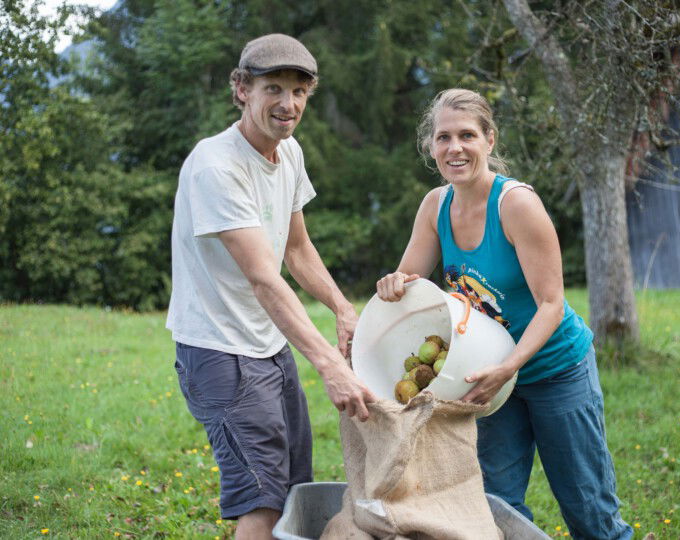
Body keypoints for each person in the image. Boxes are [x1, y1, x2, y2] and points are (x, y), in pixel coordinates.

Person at [376, 88, 633, 539]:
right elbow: (410, 282)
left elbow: (552, 303)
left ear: (489, 140)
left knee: (588, 508)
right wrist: (394, 283)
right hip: (487, 377)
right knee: (495, 507)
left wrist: (510, 366)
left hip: (555, 370)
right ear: (430, 146)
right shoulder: (435, 206)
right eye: (443, 138)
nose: (454, 148)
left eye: (467, 135)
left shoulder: (515, 204)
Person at [166, 33, 375, 539]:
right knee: (261, 501)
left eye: (300, 91)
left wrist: (343, 309)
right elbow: (263, 276)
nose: (288, 104)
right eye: (273, 89)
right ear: (241, 88)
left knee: (290, 491)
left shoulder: (289, 151)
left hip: (268, 346)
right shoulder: (217, 166)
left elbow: (297, 249)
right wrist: (328, 363)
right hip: (219, 351)